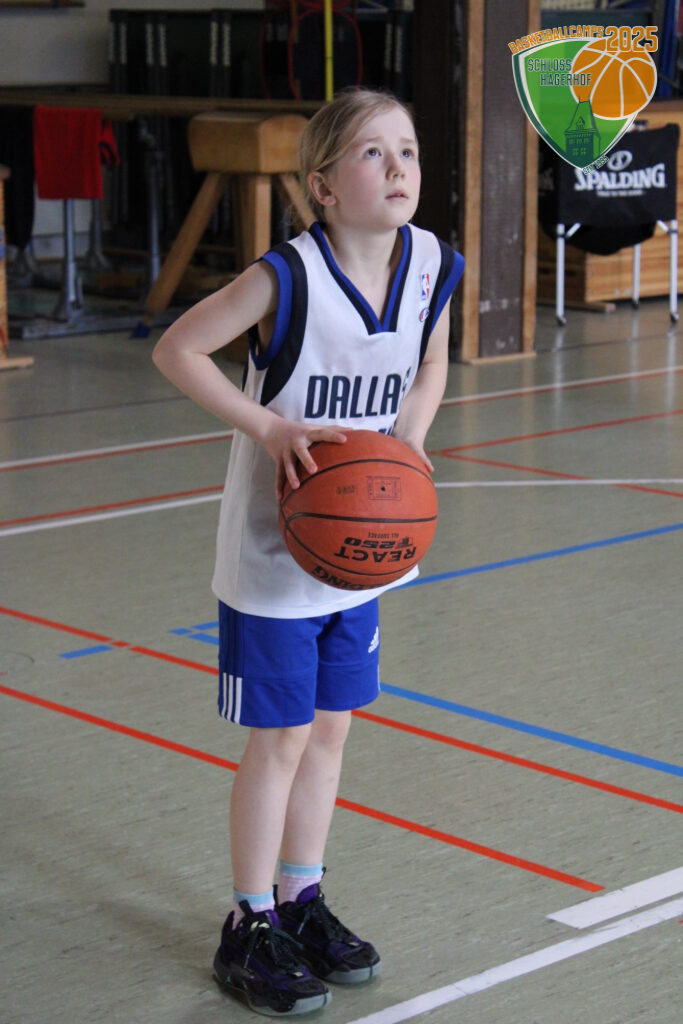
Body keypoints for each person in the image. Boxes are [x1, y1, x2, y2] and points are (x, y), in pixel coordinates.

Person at [152, 87, 464, 1017]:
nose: (398, 167)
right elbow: (178, 350)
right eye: (372, 153)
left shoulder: (430, 264)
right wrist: (269, 427)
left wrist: (409, 438)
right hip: (273, 550)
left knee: (331, 729)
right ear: (322, 186)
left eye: (407, 150)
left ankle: (301, 896)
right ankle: (248, 921)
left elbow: (432, 359)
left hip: (361, 544)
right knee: (282, 736)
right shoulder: (287, 276)